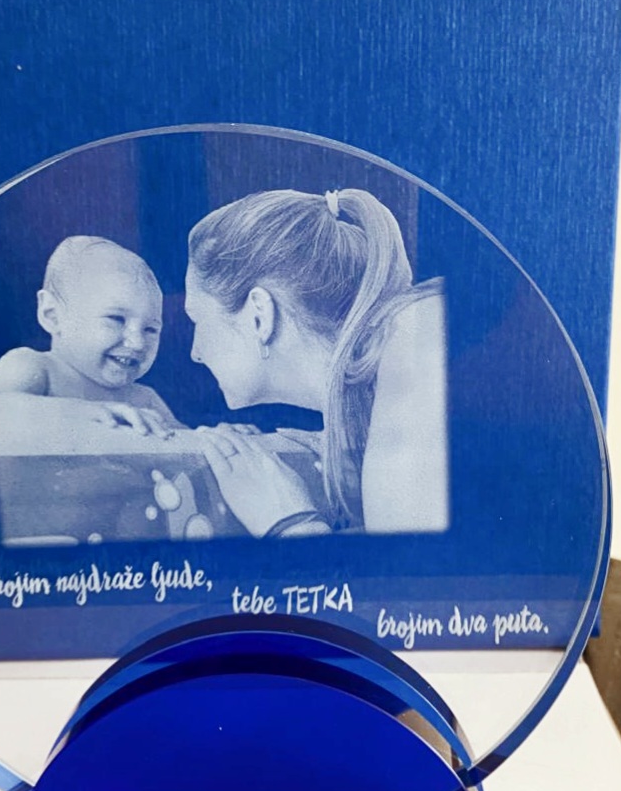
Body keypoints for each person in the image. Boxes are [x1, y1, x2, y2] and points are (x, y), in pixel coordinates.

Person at [185, 188, 448, 537]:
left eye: (196, 320)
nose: (195, 351)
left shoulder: (414, 339)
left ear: (259, 315)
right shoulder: (398, 353)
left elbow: (414, 568)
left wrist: (288, 522)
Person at [0, 236, 179, 456]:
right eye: (116, 319)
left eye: (151, 329)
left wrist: (206, 437)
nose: (137, 342)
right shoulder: (35, 366)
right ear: (52, 316)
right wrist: (84, 412)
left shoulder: (143, 398)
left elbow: (185, 445)